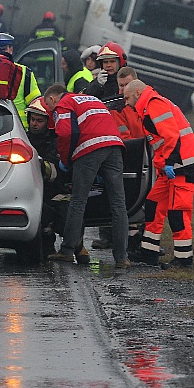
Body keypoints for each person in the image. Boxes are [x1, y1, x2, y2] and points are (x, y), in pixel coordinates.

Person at [42, 83, 130, 268]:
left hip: (89, 148)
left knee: (78, 200)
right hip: (114, 146)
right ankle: (122, 257)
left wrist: (65, 160)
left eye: (50, 108)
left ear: (52, 98)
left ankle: (66, 251)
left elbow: (66, 133)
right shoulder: (91, 100)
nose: (52, 112)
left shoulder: (63, 103)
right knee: (118, 204)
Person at [123, 78, 194, 268]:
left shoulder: (154, 104)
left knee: (178, 213)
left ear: (137, 93)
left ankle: (184, 259)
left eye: (127, 98)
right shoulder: (149, 106)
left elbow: (172, 136)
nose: (126, 102)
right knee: (153, 204)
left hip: (180, 166)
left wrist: (168, 162)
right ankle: (149, 252)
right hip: (172, 167)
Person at [82, 42, 128, 250]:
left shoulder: (127, 81)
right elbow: (83, 102)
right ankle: (106, 235)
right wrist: (95, 86)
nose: (108, 66)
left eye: (112, 62)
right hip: (101, 140)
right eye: (105, 62)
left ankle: (128, 239)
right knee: (103, 188)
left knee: (122, 191)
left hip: (125, 141)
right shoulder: (97, 83)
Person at [25, 97, 65, 256]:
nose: (34, 123)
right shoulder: (24, 139)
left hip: (51, 190)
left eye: (39, 121)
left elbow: (53, 172)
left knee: (61, 212)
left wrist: (38, 163)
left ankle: (75, 246)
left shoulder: (55, 142)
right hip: (28, 189)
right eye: (32, 119)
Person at [0, 32, 40, 127]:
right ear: (11, 49)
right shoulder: (23, 72)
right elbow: (35, 104)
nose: (0, 52)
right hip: (17, 130)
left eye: (2, 49)